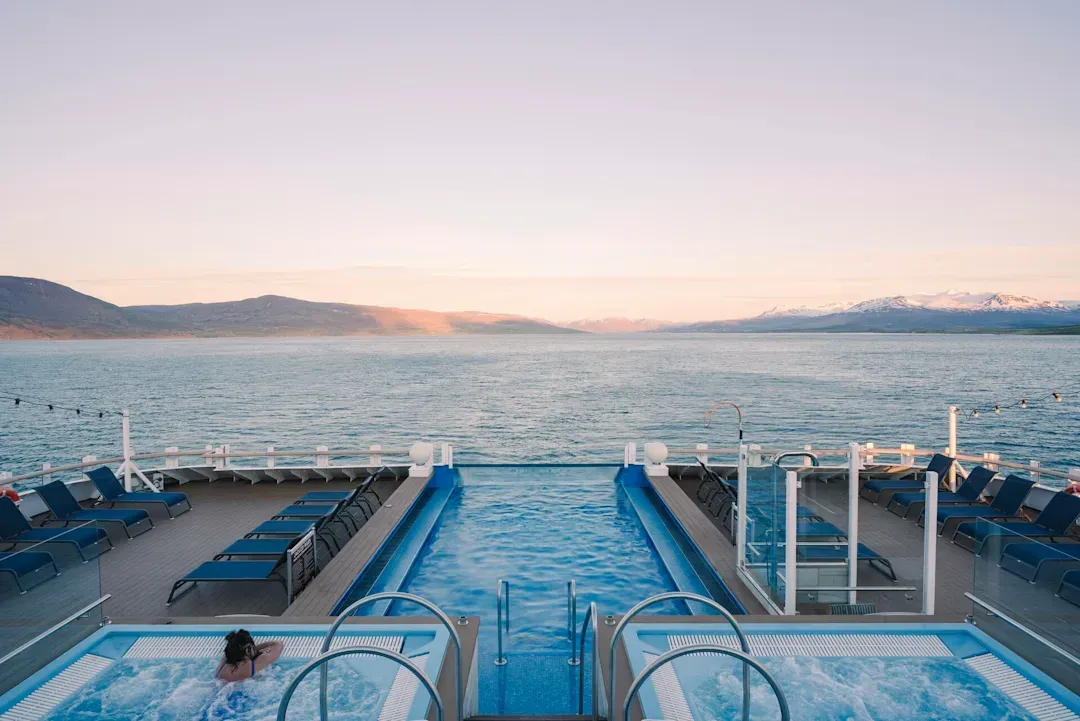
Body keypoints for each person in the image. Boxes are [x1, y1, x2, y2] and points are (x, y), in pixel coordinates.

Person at [216, 629, 283, 682]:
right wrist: (256, 650)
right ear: (247, 650)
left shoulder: (222, 665)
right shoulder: (256, 663)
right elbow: (278, 644)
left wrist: (250, 649)